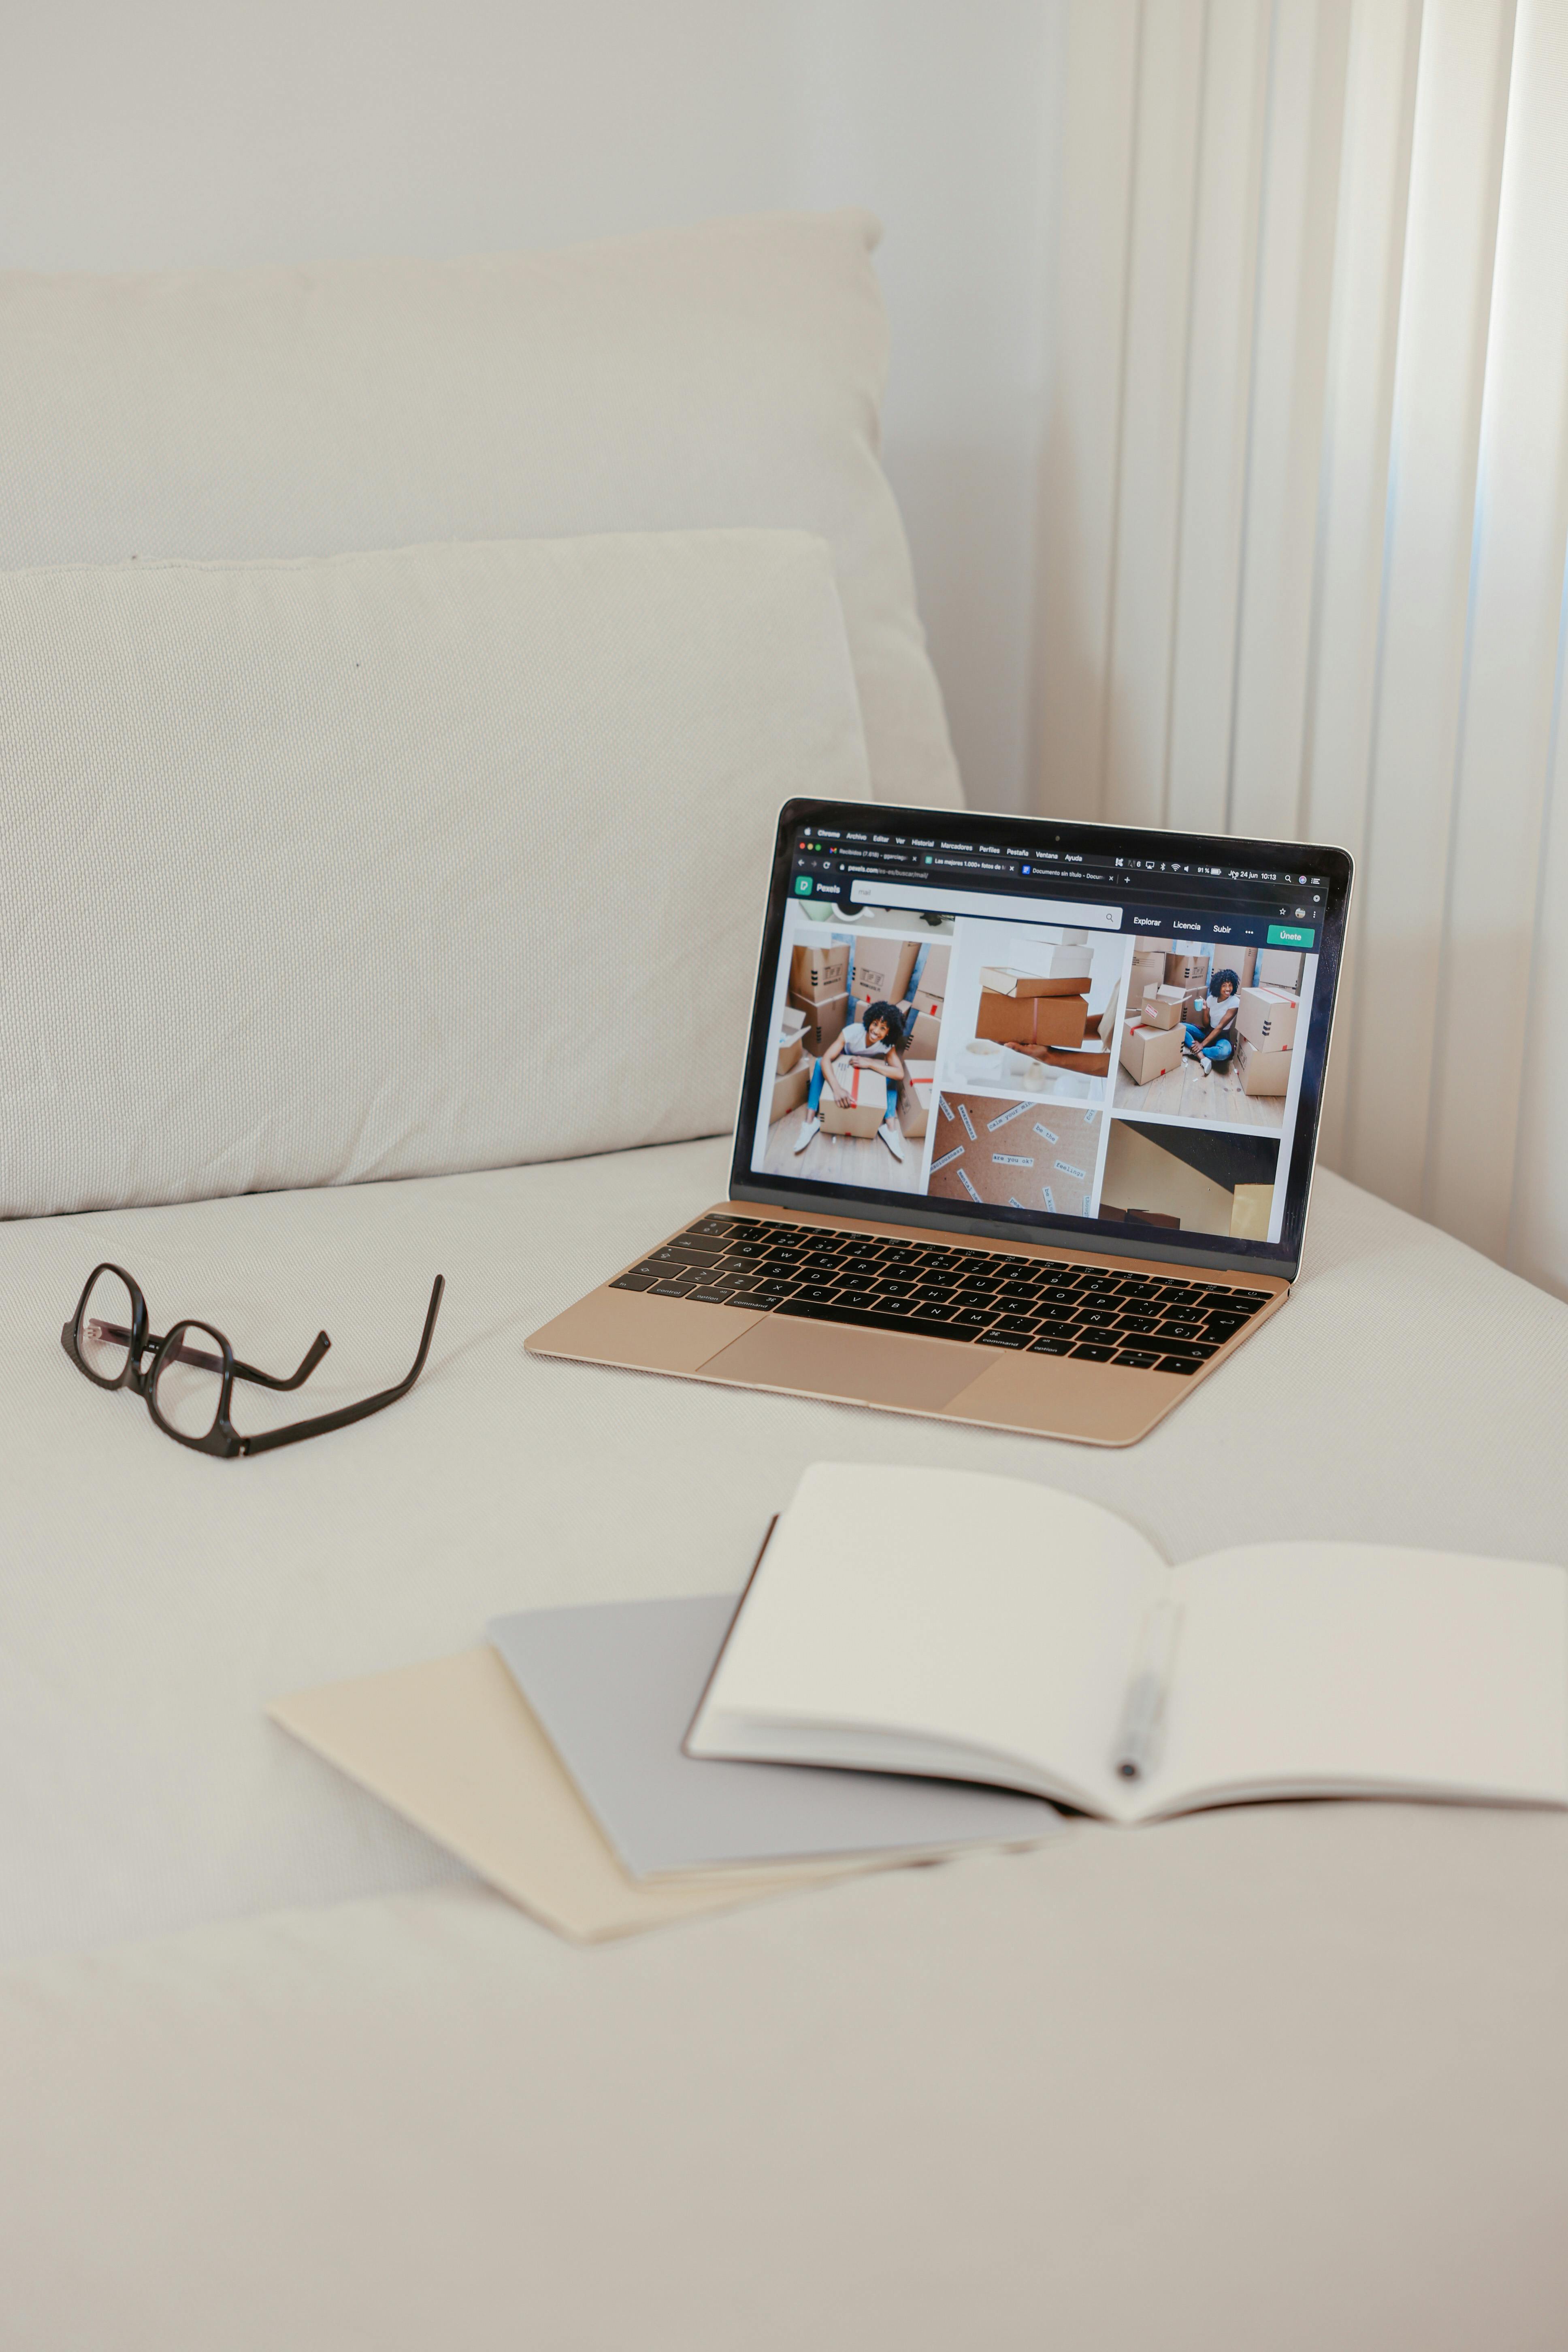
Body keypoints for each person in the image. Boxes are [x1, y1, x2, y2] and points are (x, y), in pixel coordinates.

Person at [794, 999, 910, 1161]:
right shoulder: (853, 1031)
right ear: (870, 1020)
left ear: (889, 1033)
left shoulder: (887, 1044)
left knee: (892, 1078)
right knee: (820, 1063)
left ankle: (890, 1130)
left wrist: (869, 1063)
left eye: (883, 1028)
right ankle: (809, 1122)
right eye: (875, 1024)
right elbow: (826, 1058)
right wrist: (837, 1089)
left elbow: (899, 1073)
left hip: (865, 1068)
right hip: (846, 1061)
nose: (876, 1031)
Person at [1182, 968, 1241, 1074]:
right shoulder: (1211, 999)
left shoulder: (1235, 1002)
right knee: (1181, 1027)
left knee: (1224, 1053)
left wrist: (1202, 1045)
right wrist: (1205, 1010)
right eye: (1224, 985)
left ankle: (1192, 1051)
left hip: (1222, 1036)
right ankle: (1202, 1057)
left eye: (1230, 985)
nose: (1228, 989)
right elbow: (1206, 1024)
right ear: (1218, 986)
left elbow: (1220, 1027)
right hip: (1208, 1032)